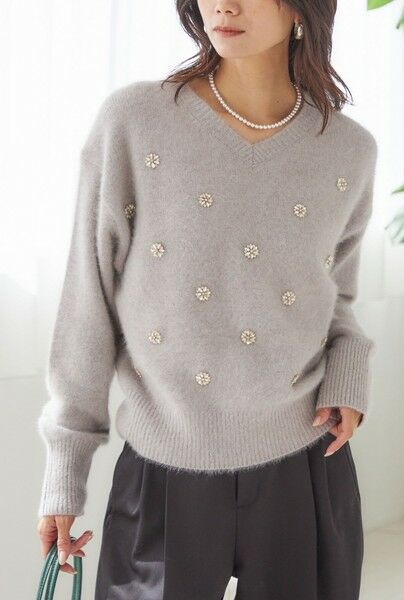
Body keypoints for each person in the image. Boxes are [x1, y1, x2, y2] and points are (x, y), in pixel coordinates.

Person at [36, 1, 378, 598]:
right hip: (164, 465)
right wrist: (65, 474)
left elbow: (337, 295)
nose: (223, 4)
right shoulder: (135, 122)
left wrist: (348, 377)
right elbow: (87, 303)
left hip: (304, 461)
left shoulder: (348, 148)